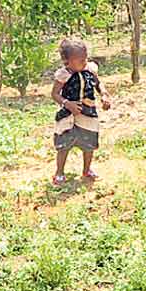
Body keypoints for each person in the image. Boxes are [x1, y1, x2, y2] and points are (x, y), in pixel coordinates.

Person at [51, 38, 111, 186]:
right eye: (80, 60)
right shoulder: (63, 75)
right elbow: (55, 94)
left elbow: (98, 83)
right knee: (64, 144)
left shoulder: (90, 69)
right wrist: (67, 104)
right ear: (67, 62)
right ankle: (59, 172)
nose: (84, 62)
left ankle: (86, 170)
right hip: (68, 115)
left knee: (89, 142)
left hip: (88, 112)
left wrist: (104, 94)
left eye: (85, 58)